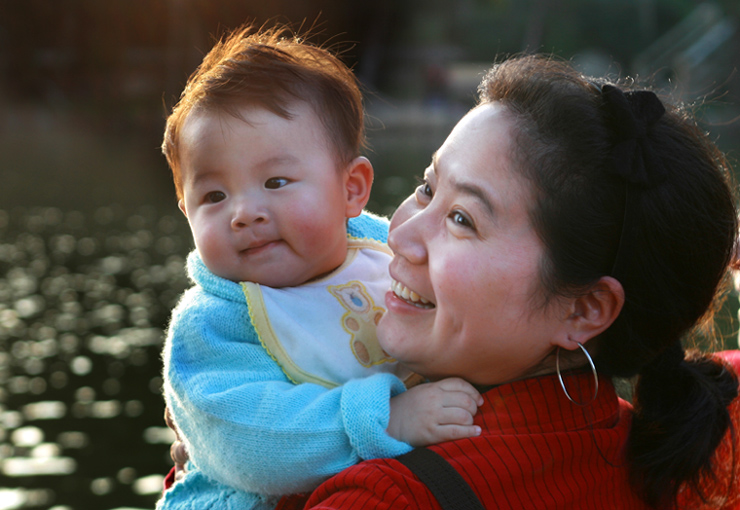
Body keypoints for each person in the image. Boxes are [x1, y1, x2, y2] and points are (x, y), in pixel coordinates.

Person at [271, 55, 740, 509]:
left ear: (584, 309)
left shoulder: (388, 498)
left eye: (461, 219)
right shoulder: (665, 462)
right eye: (427, 188)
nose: (400, 233)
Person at [156, 24, 482, 510]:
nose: (243, 212)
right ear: (186, 210)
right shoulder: (212, 325)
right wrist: (385, 421)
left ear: (351, 189)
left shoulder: (384, 251)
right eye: (214, 196)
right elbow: (252, 445)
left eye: (277, 180)